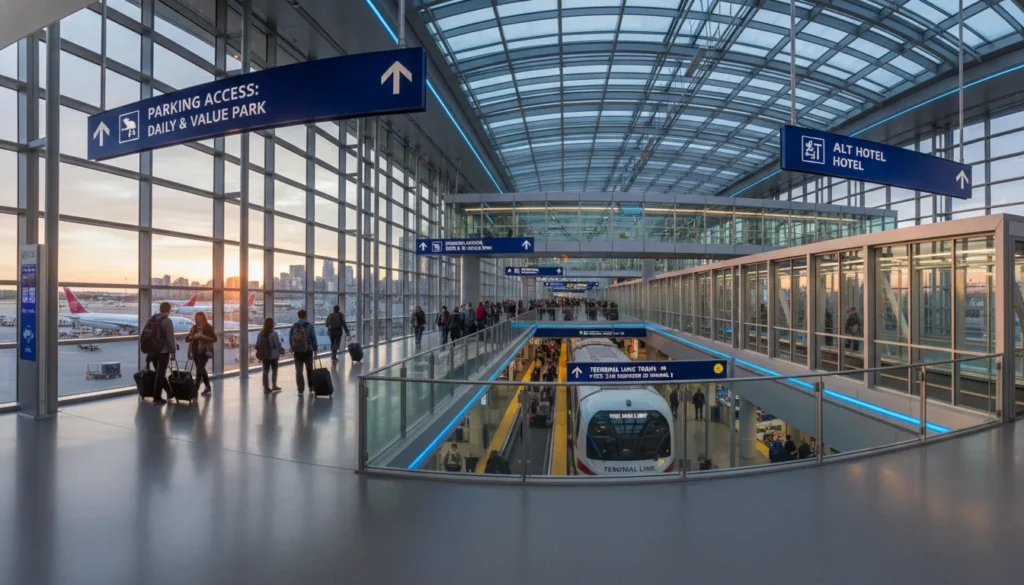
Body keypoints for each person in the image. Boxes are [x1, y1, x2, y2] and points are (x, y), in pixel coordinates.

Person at [145, 302, 177, 404]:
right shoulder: (167, 321)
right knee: (160, 374)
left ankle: (169, 391)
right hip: (163, 351)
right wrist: (173, 352)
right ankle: (157, 397)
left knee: (159, 373)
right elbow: (170, 338)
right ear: (169, 310)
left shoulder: (152, 319)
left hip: (152, 350)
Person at [185, 311, 217, 397]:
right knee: (201, 369)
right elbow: (187, 338)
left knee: (199, 369)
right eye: (196, 318)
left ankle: (195, 389)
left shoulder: (208, 327)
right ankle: (208, 386)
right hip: (196, 351)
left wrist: (203, 337)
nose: (198, 320)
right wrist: (192, 337)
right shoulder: (194, 327)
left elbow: (214, 339)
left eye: (199, 318)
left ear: (203, 318)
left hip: (205, 352)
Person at [289, 309, 319, 396]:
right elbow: (313, 338)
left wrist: (292, 347)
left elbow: (290, 338)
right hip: (308, 351)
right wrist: (315, 349)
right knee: (309, 369)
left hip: (297, 352)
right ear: (305, 316)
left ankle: (300, 390)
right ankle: (311, 387)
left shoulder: (294, 326)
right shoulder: (309, 326)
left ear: (298, 316)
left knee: (299, 371)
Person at [255, 317, 282, 393]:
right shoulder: (274, 333)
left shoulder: (261, 333)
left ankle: (266, 387)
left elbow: (257, 345)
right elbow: (277, 344)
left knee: (265, 371)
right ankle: (274, 385)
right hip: (273, 355)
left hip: (264, 355)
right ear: (271, 325)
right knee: (274, 370)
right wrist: (280, 349)